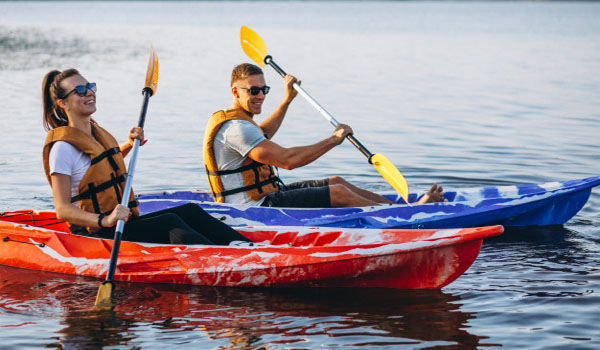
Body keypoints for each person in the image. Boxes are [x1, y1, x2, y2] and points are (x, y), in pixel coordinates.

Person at [42, 68, 251, 245]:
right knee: (168, 221)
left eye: (90, 87)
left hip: (121, 222)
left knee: (190, 211)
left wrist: (129, 144)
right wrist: (106, 220)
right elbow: (62, 210)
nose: (89, 93)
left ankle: (245, 248)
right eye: (80, 90)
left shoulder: (95, 135)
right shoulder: (62, 148)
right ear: (63, 103)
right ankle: (222, 259)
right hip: (96, 233)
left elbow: (100, 166)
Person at [203, 63, 444, 208]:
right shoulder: (237, 129)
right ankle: (404, 217)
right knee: (338, 194)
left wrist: (287, 100)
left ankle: (400, 209)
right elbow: (288, 161)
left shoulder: (239, 124)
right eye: (254, 90)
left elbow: (263, 132)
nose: (260, 96)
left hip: (267, 194)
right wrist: (333, 140)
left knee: (336, 181)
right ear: (235, 91)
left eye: (264, 90)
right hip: (251, 208)